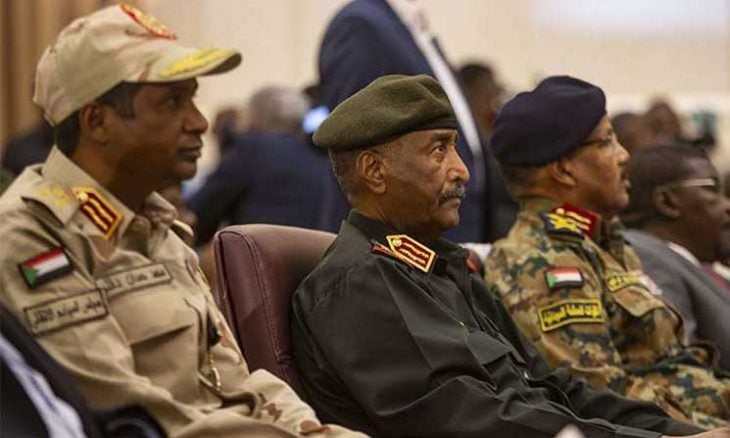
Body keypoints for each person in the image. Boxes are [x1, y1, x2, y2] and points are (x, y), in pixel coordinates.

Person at [0, 5, 360, 437]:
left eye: (192, 97)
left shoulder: (156, 227)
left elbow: (237, 383)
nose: (199, 121)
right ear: (97, 121)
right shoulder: (33, 235)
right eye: (173, 102)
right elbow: (136, 421)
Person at [290, 73, 713, 437]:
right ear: (375, 171)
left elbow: (556, 388)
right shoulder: (361, 284)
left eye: (455, 148)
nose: (461, 170)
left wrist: (680, 433)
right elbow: (469, 420)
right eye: (438, 150)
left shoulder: (442, 268)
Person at [484, 76, 730, 428]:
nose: (624, 155)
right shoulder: (540, 260)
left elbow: (672, 367)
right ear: (564, 169)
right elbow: (601, 397)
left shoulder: (602, 244)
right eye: (607, 142)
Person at [315, 0, 505, 242]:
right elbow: (355, 143)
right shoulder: (360, 25)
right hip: (398, 247)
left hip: (452, 233)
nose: (462, 171)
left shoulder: (408, 25)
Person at [620, 144, 730, 369]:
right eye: (712, 189)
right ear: (667, 202)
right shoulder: (649, 258)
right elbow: (681, 364)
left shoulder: (693, 263)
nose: (727, 205)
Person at [187, 85, 331, 245]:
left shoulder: (251, 149)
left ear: (254, 120)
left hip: (263, 256)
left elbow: (200, 214)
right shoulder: (323, 157)